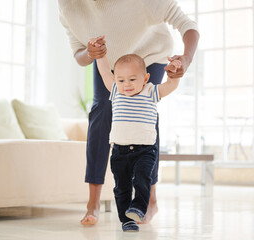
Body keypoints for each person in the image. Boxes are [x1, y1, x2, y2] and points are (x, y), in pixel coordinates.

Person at [58, 0, 199, 225]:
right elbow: (79, 54)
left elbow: (188, 25)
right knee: (102, 110)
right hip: (107, 60)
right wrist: (91, 52)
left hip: (150, 55)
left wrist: (186, 59)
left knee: (145, 109)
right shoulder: (67, 6)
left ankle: (150, 200)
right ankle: (92, 203)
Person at [91, 37, 182, 231]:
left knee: (142, 180)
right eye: (122, 80)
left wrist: (174, 74)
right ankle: (127, 220)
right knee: (121, 187)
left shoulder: (150, 91)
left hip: (145, 150)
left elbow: (171, 86)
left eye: (132, 79)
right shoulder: (115, 90)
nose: (127, 84)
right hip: (120, 151)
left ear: (145, 78)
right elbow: (105, 72)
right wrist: (100, 54)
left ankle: (139, 208)